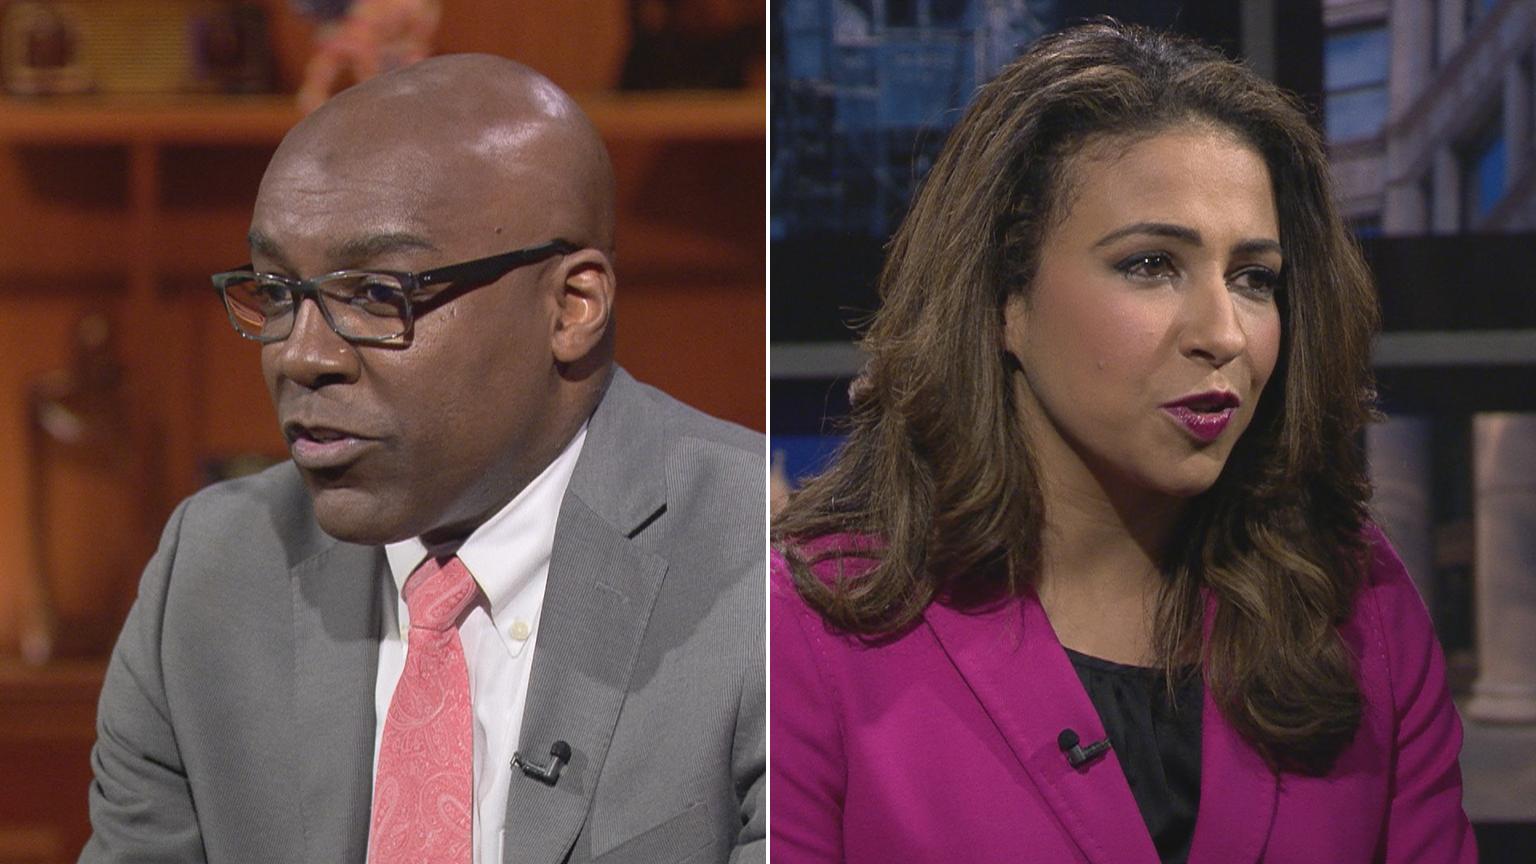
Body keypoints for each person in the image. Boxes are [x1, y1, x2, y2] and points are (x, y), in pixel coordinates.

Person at [771, 21, 1474, 864]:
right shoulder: (802, 636)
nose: (1225, 334)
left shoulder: (1361, 606)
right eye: (1151, 265)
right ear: (1005, 297)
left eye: (1254, 279)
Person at [82, 54, 764, 864]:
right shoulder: (212, 575)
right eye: (274, 292)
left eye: (377, 294)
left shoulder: (760, 566)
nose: (301, 356)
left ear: (572, 306)